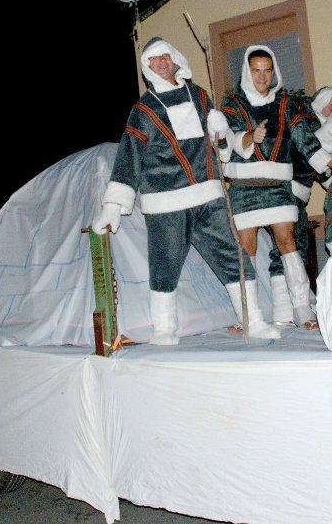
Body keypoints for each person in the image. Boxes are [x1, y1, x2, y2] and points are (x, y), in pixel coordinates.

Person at [92, 37, 279, 344]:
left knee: (235, 257)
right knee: (164, 267)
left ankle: (254, 321)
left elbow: (221, 149)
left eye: (164, 56)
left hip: (209, 196)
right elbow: (129, 155)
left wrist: (221, 133)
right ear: (146, 67)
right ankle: (164, 328)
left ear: (175, 58)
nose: (160, 62)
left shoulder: (200, 96)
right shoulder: (144, 109)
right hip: (166, 205)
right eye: (153, 59)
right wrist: (113, 205)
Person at [220, 46, 332, 330]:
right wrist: (250, 136)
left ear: (274, 73)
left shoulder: (286, 104)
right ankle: (248, 316)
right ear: (247, 72)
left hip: (277, 186)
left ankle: (302, 309)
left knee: (288, 243)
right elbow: (226, 140)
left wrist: (325, 162)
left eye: (267, 70)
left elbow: (304, 138)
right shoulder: (232, 104)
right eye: (256, 70)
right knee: (246, 248)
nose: (262, 76)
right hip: (244, 187)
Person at [268, 86, 332, 323]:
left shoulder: (319, 126)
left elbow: (320, 171)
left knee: (296, 245)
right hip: (285, 189)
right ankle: (283, 308)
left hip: (299, 195)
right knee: (286, 245)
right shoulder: (305, 119)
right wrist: (328, 132)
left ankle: (293, 305)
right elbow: (306, 146)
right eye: (331, 104)